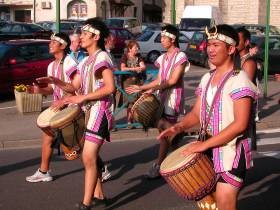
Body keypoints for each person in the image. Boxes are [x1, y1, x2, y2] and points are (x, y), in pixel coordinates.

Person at [158, 24, 258, 210]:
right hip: (209, 149)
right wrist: (178, 127)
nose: (210, 49)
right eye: (209, 44)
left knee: (224, 201)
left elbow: (240, 124)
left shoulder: (240, 79)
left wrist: (203, 145)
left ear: (230, 49)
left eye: (216, 45)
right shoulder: (207, 78)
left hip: (232, 151)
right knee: (208, 204)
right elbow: (197, 113)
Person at [62, 17, 115, 210]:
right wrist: (56, 83)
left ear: (96, 36)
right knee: (89, 157)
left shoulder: (102, 57)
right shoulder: (85, 61)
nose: (80, 37)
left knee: (88, 156)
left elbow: (110, 87)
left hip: (100, 111)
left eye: (84, 34)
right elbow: (73, 86)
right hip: (89, 111)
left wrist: (82, 98)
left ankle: (86, 204)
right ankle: (99, 195)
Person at [126, 24, 189, 179]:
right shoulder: (163, 57)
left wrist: (148, 88)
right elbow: (160, 79)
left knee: (164, 133)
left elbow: (173, 81)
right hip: (163, 96)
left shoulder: (180, 56)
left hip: (173, 97)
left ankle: (159, 165)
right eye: (161, 37)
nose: (161, 40)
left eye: (163, 37)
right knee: (167, 133)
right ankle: (179, 163)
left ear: (172, 39)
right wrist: (144, 88)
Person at [25, 32, 78, 183]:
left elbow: (76, 88)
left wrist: (64, 100)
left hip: (71, 107)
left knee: (77, 146)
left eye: (53, 42)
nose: (50, 44)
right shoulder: (51, 65)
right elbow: (51, 89)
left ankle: (99, 168)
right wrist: (38, 90)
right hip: (58, 108)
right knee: (47, 137)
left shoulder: (69, 63)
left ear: (62, 46)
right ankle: (44, 171)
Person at [237, 27, 258, 150]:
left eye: (238, 40)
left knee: (243, 147)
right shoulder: (235, 59)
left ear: (246, 43)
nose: (234, 42)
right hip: (233, 108)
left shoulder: (249, 62)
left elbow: (244, 88)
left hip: (243, 110)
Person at [120, 40, 146, 128]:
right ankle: (129, 121)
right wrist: (134, 69)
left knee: (138, 101)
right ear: (130, 49)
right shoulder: (125, 56)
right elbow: (122, 68)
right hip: (127, 81)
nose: (137, 49)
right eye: (135, 47)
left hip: (137, 81)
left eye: (138, 47)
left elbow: (143, 66)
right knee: (130, 101)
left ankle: (135, 120)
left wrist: (140, 68)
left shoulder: (139, 56)